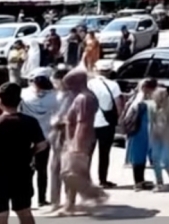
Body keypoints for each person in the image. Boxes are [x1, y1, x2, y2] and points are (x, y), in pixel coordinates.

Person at [0, 82, 48, 224]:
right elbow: (42, 144)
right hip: (22, 174)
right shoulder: (30, 122)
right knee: (24, 212)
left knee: (0, 216)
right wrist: (30, 153)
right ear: (19, 101)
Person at [58, 69, 107, 215]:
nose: (68, 89)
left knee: (69, 173)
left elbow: (83, 123)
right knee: (75, 172)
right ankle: (70, 205)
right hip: (76, 139)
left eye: (69, 85)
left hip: (78, 141)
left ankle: (95, 195)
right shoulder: (86, 97)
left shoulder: (83, 98)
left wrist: (76, 145)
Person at [19, 69, 59, 208]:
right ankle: (42, 199)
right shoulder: (54, 97)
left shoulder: (24, 94)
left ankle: (26, 199)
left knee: (26, 170)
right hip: (45, 137)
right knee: (42, 169)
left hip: (25, 136)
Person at [88, 61, 123, 189]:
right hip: (107, 123)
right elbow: (118, 105)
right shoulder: (113, 85)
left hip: (90, 123)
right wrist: (119, 120)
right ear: (110, 71)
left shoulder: (89, 84)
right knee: (104, 153)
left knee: (87, 154)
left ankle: (86, 180)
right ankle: (103, 180)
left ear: (96, 70)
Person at [45, 67, 72, 214]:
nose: (54, 83)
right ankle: (55, 202)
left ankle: (68, 203)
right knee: (55, 167)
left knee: (67, 169)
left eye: (55, 80)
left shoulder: (74, 96)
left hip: (68, 133)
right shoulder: (54, 95)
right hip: (55, 133)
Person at [147, 87, 169, 191]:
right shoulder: (152, 105)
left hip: (168, 135)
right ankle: (159, 182)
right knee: (155, 159)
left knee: (165, 160)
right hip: (156, 135)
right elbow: (150, 122)